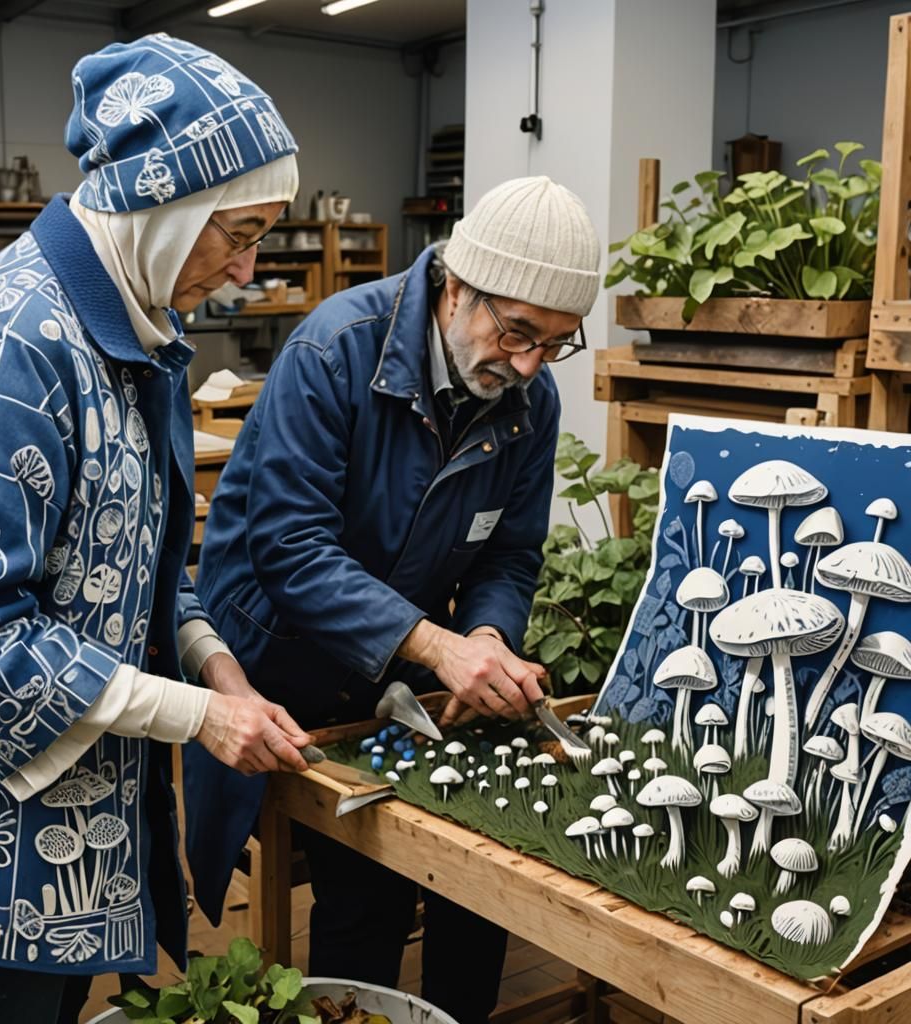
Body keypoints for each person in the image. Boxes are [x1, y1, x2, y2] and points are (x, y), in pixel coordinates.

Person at [0, 33, 312, 1024]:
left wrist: (215, 666)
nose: (246, 270)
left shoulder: (133, 326)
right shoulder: (18, 341)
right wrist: (199, 719)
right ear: (163, 205)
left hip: (76, 810)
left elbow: (141, 557)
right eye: (237, 234)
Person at [188, 176, 601, 1024]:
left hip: (395, 659)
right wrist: (440, 647)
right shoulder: (335, 351)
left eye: (555, 344)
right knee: (364, 886)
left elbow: (509, 552)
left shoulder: (529, 398)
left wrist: (487, 635)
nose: (528, 364)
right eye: (518, 332)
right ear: (457, 287)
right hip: (277, 659)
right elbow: (291, 549)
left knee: (479, 871)